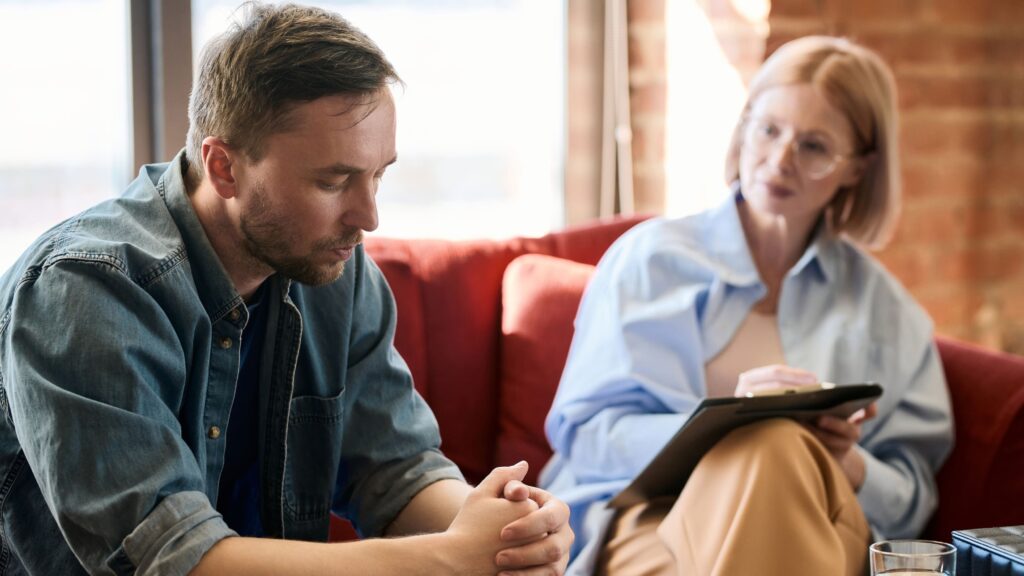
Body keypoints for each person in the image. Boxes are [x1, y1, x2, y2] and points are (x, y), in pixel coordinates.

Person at [0, 3, 572, 575]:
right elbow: (174, 561)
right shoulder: (84, 290)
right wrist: (447, 558)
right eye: (333, 180)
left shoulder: (330, 268)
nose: (369, 216)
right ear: (223, 166)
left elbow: (393, 470)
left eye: (378, 175)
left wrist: (503, 530)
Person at [541, 36, 953, 575]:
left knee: (779, 446)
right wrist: (721, 426)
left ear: (857, 168)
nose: (780, 160)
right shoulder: (651, 259)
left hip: (825, 518)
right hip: (651, 521)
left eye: (814, 147)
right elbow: (586, 436)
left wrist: (847, 463)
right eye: (769, 130)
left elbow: (913, 499)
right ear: (744, 125)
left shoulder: (889, 312)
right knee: (769, 440)